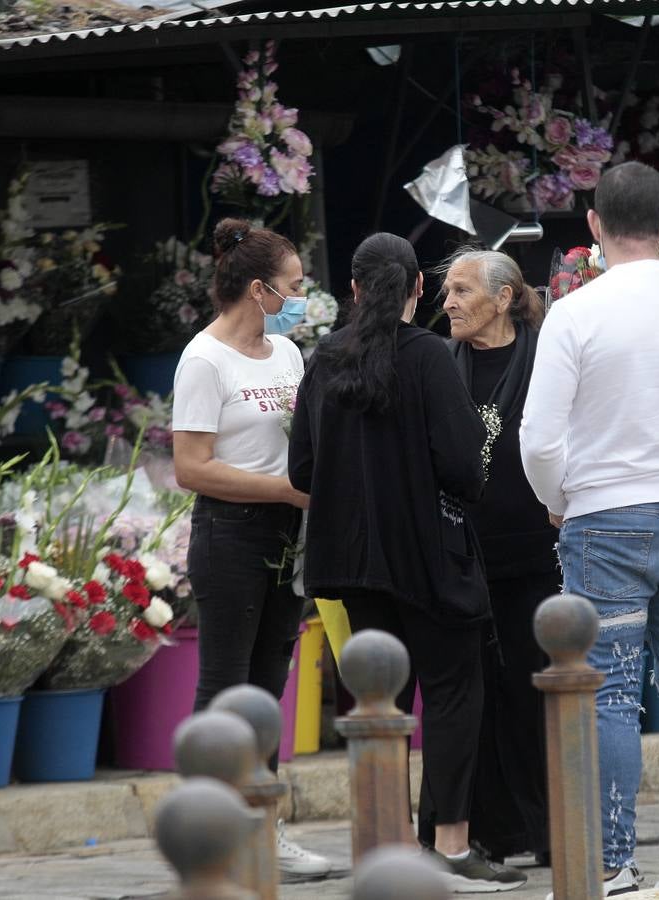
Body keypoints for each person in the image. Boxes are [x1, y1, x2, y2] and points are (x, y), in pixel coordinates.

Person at [289, 233, 525, 892]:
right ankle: (448, 843)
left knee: (377, 701)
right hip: (428, 556)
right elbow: (460, 465)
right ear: (419, 288)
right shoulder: (428, 358)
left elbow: (300, 468)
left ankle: (386, 840)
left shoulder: (324, 357)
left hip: (349, 564)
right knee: (453, 691)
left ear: (356, 290)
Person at [521, 162, 659, 894]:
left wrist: (558, 497)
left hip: (604, 514)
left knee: (608, 694)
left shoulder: (575, 313)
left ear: (592, 227)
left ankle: (613, 861)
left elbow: (539, 438)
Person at [172, 218, 331, 880]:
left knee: (269, 685)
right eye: (294, 285)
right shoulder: (205, 359)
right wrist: (284, 490)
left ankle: (263, 824)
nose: (302, 295)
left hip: (284, 536)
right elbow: (191, 466)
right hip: (230, 532)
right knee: (224, 686)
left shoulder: (289, 353)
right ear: (258, 287)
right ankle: (208, 832)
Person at [417, 248, 555, 865]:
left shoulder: (545, 353)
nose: (447, 303)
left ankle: (548, 831)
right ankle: (488, 831)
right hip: (461, 558)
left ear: (503, 298)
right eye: (446, 291)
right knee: (472, 700)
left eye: (462, 291)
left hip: (532, 554)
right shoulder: (439, 361)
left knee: (531, 693)